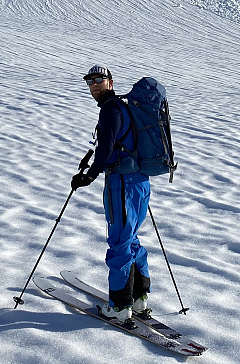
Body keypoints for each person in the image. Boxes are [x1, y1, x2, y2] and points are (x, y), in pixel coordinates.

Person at [71, 64, 152, 323]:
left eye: (99, 79)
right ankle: (139, 300)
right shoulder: (125, 107)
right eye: (90, 81)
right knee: (131, 239)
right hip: (139, 182)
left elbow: (105, 148)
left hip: (122, 184)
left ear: (111, 82)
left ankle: (119, 306)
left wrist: (90, 175)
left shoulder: (111, 109)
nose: (94, 84)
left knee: (119, 242)